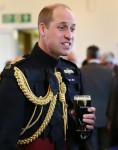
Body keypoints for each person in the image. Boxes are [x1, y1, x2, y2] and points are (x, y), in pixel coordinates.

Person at [0, 3, 96, 150]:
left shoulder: (73, 71)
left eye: (73, 29)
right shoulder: (16, 74)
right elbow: (5, 142)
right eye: (62, 27)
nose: (69, 35)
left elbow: (79, 139)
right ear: (43, 29)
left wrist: (85, 127)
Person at [81, 45, 113, 150]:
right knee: (105, 147)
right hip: (106, 118)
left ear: (87, 56)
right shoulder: (109, 72)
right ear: (99, 57)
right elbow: (113, 96)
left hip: (88, 118)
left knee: (91, 148)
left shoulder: (80, 71)